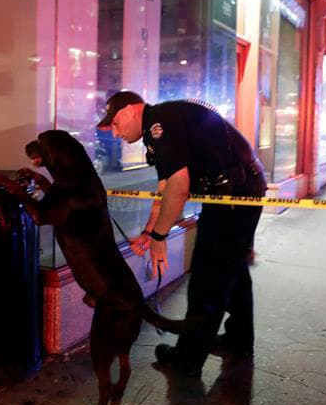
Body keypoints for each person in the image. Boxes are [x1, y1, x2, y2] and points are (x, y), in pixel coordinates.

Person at [97, 91, 267, 377]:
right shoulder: (160, 123)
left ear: (130, 109)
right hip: (237, 192)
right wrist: (151, 231)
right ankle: (239, 339)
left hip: (233, 197)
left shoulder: (159, 123)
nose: (115, 133)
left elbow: (179, 186)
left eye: (115, 123)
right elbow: (165, 187)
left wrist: (160, 239)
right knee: (232, 267)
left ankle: (187, 361)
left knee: (207, 277)